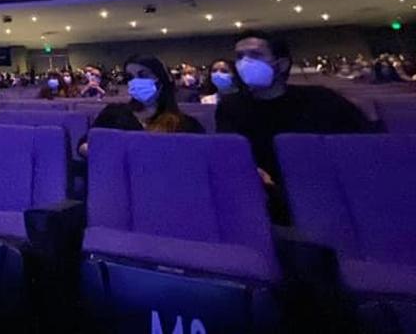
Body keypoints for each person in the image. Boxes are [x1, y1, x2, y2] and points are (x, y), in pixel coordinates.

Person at [216, 30, 371, 219]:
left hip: (325, 198)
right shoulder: (230, 107)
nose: (244, 63)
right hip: (260, 203)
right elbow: (230, 155)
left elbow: (361, 151)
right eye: (240, 56)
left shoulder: (323, 100)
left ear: (281, 64)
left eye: (255, 55)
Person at [78, 55, 204, 158]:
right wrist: (110, 152)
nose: (136, 81)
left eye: (143, 75)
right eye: (131, 77)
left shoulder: (186, 124)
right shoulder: (114, 113)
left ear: (161, 79)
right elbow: (84, 145)